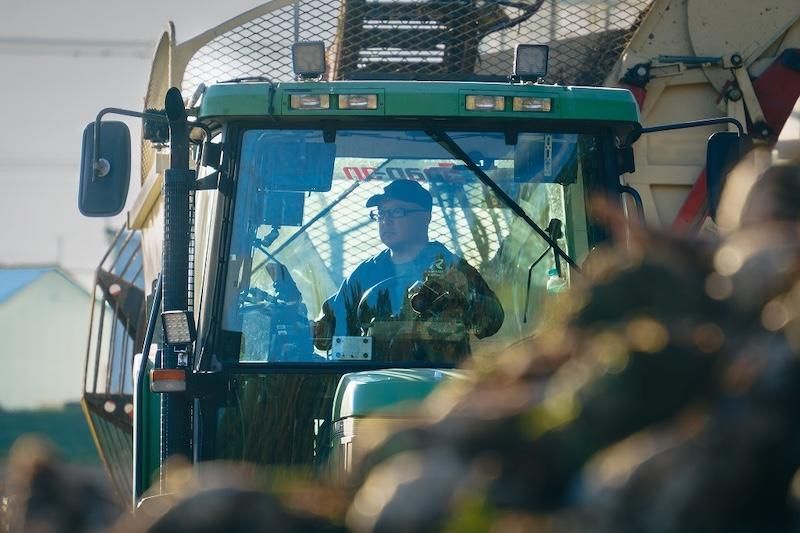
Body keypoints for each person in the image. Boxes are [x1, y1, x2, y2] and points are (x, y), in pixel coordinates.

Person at [314, 179, 504, 363]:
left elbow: (491, 322)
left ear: (426, 217)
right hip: (375, 378)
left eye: (397, 212)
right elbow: (326, 334)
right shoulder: (364, 274)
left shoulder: (451, 268)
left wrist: (462, 297)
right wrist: (307, 329)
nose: (386, 220)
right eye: (381, 213)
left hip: (439, 378)